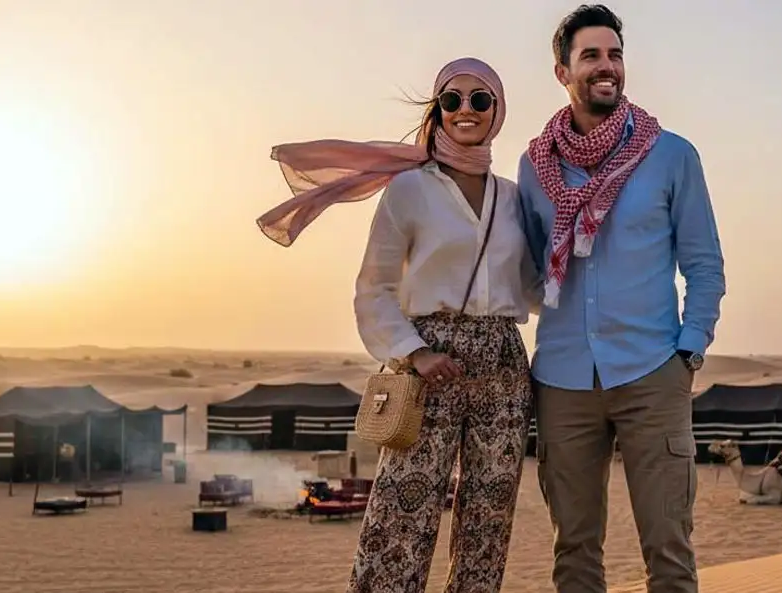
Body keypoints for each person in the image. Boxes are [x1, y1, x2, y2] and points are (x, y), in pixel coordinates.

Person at [256, 57, 538, 593]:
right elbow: (374, 287)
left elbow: (530, 286)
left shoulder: (514, 197)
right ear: (438, 109)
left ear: (497, 111)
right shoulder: (410, 189)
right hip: (428, 362)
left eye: (480, 99)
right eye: (452, 99)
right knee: (402, 512)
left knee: (489, 515)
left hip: (503, 365)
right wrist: (414, 352)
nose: (465, 110)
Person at [516, 5, 726, 593]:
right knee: (574, 555)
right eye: (591, 56)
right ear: (563, 72)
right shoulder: (534, 167)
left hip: (652, 373)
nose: (606, 66)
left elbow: (704, 264)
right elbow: (527, 272)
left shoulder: (671, 155)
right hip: (562, 380)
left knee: (669, 552)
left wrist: (689, 352)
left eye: (615, 54)